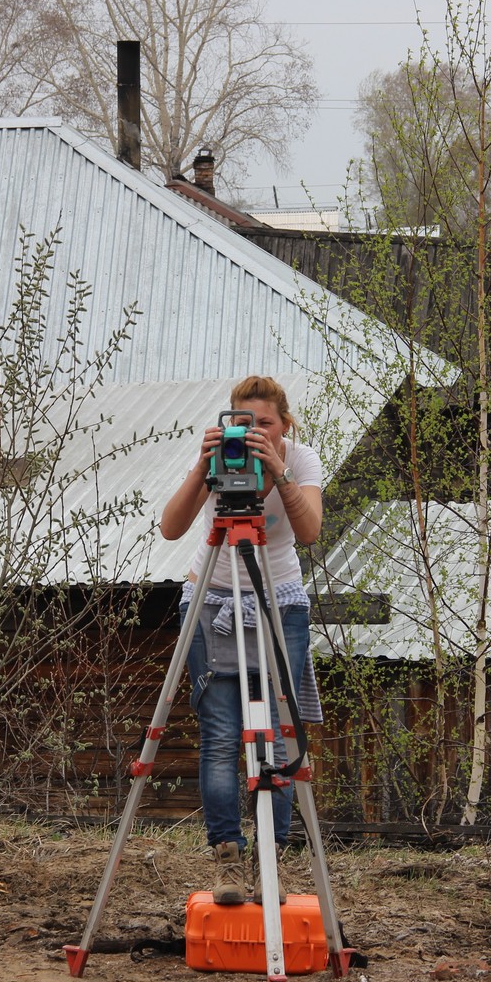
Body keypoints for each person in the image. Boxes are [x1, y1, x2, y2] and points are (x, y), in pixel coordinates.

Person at [159, 375, 323, 903]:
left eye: (266, 424)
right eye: (244, 423)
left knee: (274, 735)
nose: (254, 433)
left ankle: (272, 856)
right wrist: (203, 468)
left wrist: (278, 472)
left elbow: (310, 532)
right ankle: (227, 854)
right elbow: (171, 527)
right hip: (213, 596)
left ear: (285, 424)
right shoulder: (219, 455)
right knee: (223, 734)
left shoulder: (300, 459)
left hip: (279, 599)